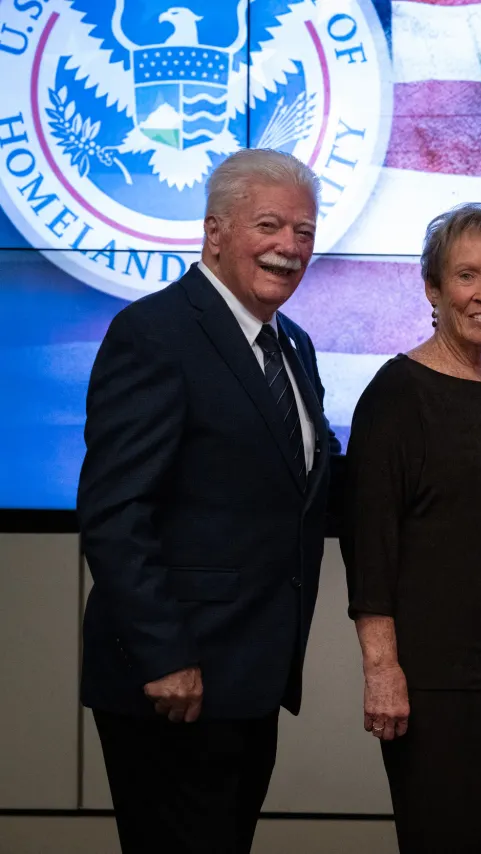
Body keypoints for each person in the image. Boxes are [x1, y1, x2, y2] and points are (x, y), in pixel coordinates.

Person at [77, 148, 338, 854]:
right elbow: (115, 513)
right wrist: (165, 658)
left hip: (249, 677)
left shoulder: (294, 346)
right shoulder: (155, 333)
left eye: (304, 232)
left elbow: (307, 490)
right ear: (215, 232)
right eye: (270, 226)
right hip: (174, 682)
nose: (289, 247)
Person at [340, 202, 481, 853]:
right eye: (467, 276)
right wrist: (381, 667)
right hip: (432, 675)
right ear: (433, 288)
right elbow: (370, 544)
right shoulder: (396, 395)